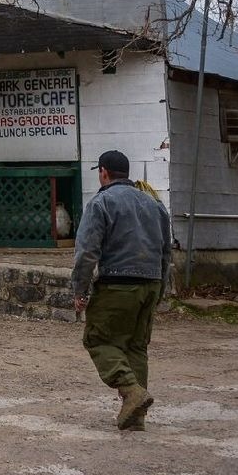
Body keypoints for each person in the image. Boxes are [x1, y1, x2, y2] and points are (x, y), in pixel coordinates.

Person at [69, 149, 171, 431]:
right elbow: (166, 252)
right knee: (136, 347)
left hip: (118, 283)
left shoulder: (101, 203)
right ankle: (135, 416)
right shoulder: (154, 205)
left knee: (98, 340)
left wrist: (80, 290)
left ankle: (131, 391)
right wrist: (160, 288)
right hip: (151, 284)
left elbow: (87, 252)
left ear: (103, 172)